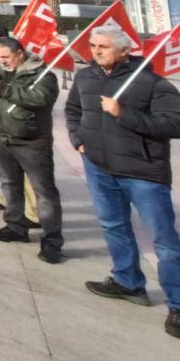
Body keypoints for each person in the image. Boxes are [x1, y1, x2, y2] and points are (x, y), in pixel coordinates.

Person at [66, 24, 180, 338]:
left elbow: (175, 122)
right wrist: (78, 141)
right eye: (93, 45)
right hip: (99, 168)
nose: (96, 51)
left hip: (142, 172)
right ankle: (128, 281)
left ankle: (178, 305)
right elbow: (73, 109)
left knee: (164, 241)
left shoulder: (151, 82)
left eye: (103, 46)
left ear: (124, 51)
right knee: (114, 226)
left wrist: (123, 113)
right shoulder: (85, 76)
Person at [0, 36, 64, 264]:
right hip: (2, 139)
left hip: (32, 142)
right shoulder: (1, 72)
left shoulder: (42, 75)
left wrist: (3, 89)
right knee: (9, 184)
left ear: (20, 54)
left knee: (44, 192)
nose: (2, 61)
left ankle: (52, 242)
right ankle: (15, 226)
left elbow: (40, 99)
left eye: (6, 57)